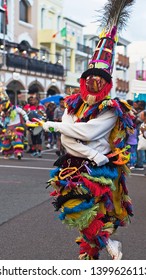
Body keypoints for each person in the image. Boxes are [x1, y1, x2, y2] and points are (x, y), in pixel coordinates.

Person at [43, 0, 135, 260]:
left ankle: (104, 245)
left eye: (99, 80)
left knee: (87, 211)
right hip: (79, 162)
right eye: (90, 80)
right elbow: (67, 136)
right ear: (83, 81)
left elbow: (87, 133)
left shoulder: (110, 108)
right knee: (79, 213)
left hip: (101, 170)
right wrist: (88, 151)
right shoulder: (74, 103)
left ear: (106, 83)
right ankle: (94, 256)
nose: (93, 85)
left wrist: (56, 126)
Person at [0, 87, 30, 159]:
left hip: (17, 127)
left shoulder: (15, 108)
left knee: (17, 139)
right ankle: (8, 153)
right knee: (6, 140)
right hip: (8, 127)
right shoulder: (3, 112)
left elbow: (23, 113)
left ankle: (19, 152)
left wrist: (27, 120)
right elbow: (1, 119)